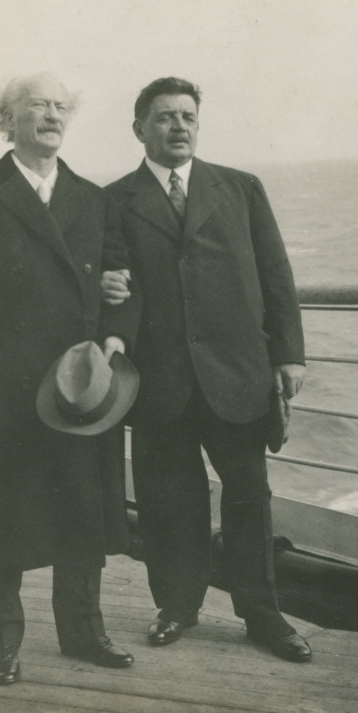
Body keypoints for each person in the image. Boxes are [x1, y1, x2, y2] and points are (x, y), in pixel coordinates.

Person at [0, 73, 140, 685]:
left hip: (78, 385)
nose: (52, 115)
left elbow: (123, 279)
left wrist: (114, 342)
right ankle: (3, 644)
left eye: (61, 106)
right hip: (4, 385)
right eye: (37, 104)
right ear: (6, 119)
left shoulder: (92, 199)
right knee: (3, 518)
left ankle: (84, 632)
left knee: (82, 512)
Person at [103, 76, 311, 662]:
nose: (179, 126)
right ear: (139, 128)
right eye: (165, 117)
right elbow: (111, 283)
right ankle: (176, 606)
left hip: (236, 375)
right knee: (168, 502)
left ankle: (262, 615)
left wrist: (289, 353)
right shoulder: (112, 201)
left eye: (188, 116)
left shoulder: (241, 188)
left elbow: (275, 273)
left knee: (248, 496)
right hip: (157, 380)